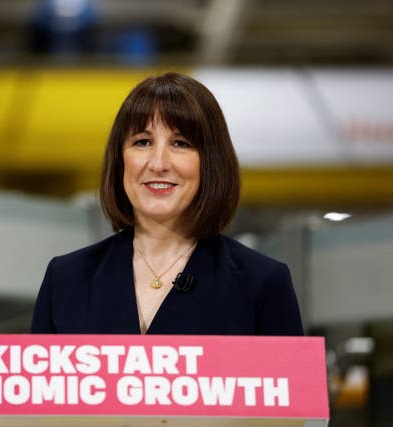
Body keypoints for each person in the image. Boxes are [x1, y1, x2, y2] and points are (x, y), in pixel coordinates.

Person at [31, 72, 303, 336]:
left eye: (180, 143)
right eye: (143, 142)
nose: (158, 163)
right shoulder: (66, 279)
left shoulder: (263, 283)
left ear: (211, 163)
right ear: (120, 160)